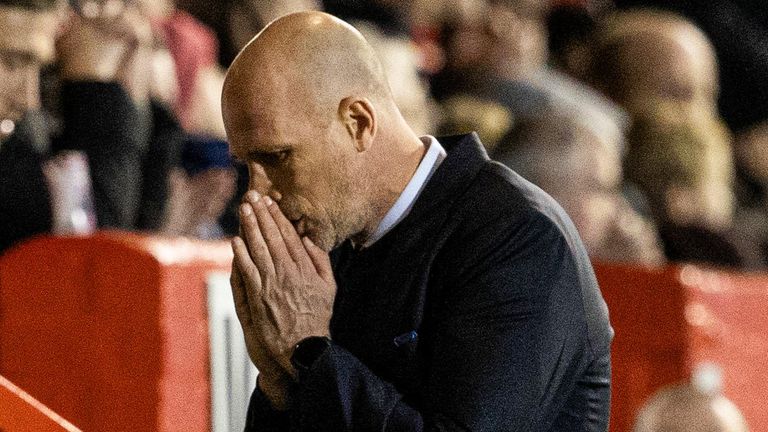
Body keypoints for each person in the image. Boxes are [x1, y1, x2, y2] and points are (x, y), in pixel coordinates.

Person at [221, 11, 613, 431]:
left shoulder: (519, 238)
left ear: (358, 123)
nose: (256, 194)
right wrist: (281, 384)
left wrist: (309, 352)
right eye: (247, 166)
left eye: (278, 157)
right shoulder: (327, 244)